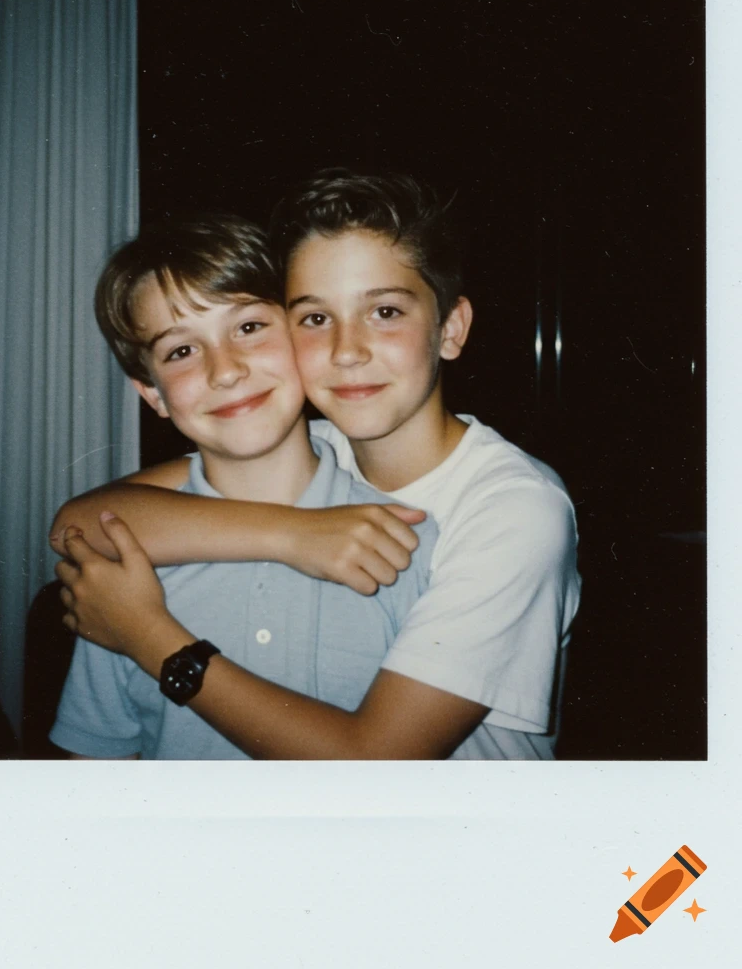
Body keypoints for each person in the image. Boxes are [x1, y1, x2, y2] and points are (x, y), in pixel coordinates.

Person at [54, 171, 581, 759]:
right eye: (315, 318)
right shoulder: (322, 444)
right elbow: (81, 522)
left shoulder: (512, 507)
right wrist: (293, 534)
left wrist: (145, 635)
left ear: (450, 328)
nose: (347, 350)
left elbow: (377, 761)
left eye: (384, 312)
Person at [49, 213, 442, 759]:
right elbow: (94, 764)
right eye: (181, 351)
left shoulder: (412, 544)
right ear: (153, 395)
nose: (225, 370)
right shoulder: (123, 570)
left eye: (250, 327)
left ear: (303, 337)